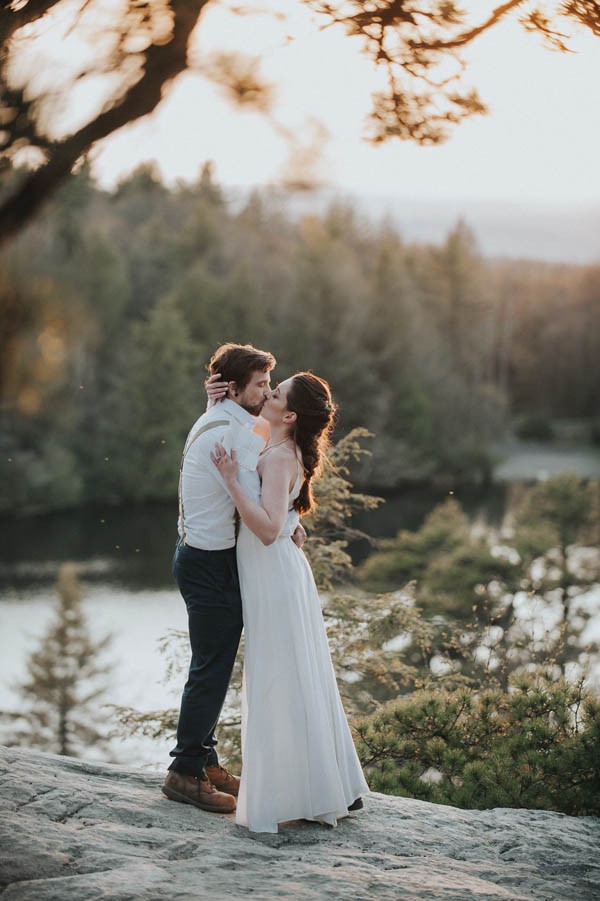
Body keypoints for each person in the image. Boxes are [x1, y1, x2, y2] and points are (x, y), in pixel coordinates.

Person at [211, 371, 369, 833]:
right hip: (274, 573)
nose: (268, 394)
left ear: (291, 414)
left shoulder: (280, 456)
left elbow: (264, 528)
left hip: (274, 575)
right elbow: (243, 436)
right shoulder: (271, 438)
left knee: (282, 676)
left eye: (275, 393)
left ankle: (300, 794)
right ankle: (310, 785)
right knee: (290, 673)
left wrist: (230, 482)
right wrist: (213, 401)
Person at [161, 342, 305, 814]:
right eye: (261, 385)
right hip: (209, 566)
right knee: (210, 670)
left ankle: (206, 760)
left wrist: (216, 400)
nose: (267, 393)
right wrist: (289, 523)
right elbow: (262, 505)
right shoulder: (232, 434)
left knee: (214, 665)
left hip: (205, 560)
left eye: (270, 385)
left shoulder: (224, 419)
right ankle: (184, 772)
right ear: (236, 388)